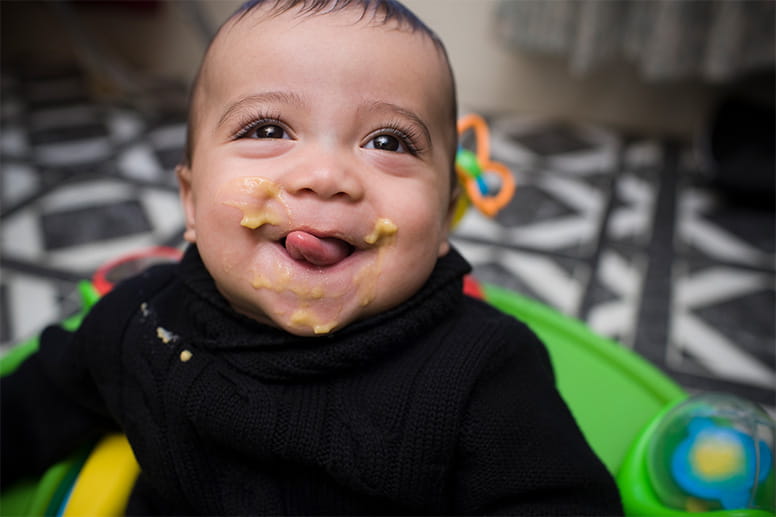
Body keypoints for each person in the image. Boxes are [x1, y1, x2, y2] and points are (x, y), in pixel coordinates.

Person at [1, 0, 623, 514]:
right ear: (190, 202)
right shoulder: (144, 323)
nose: (325, 176)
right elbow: (31, 405)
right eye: (267, 130)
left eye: (388, 141)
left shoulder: (483, 372)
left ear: (444, 216)